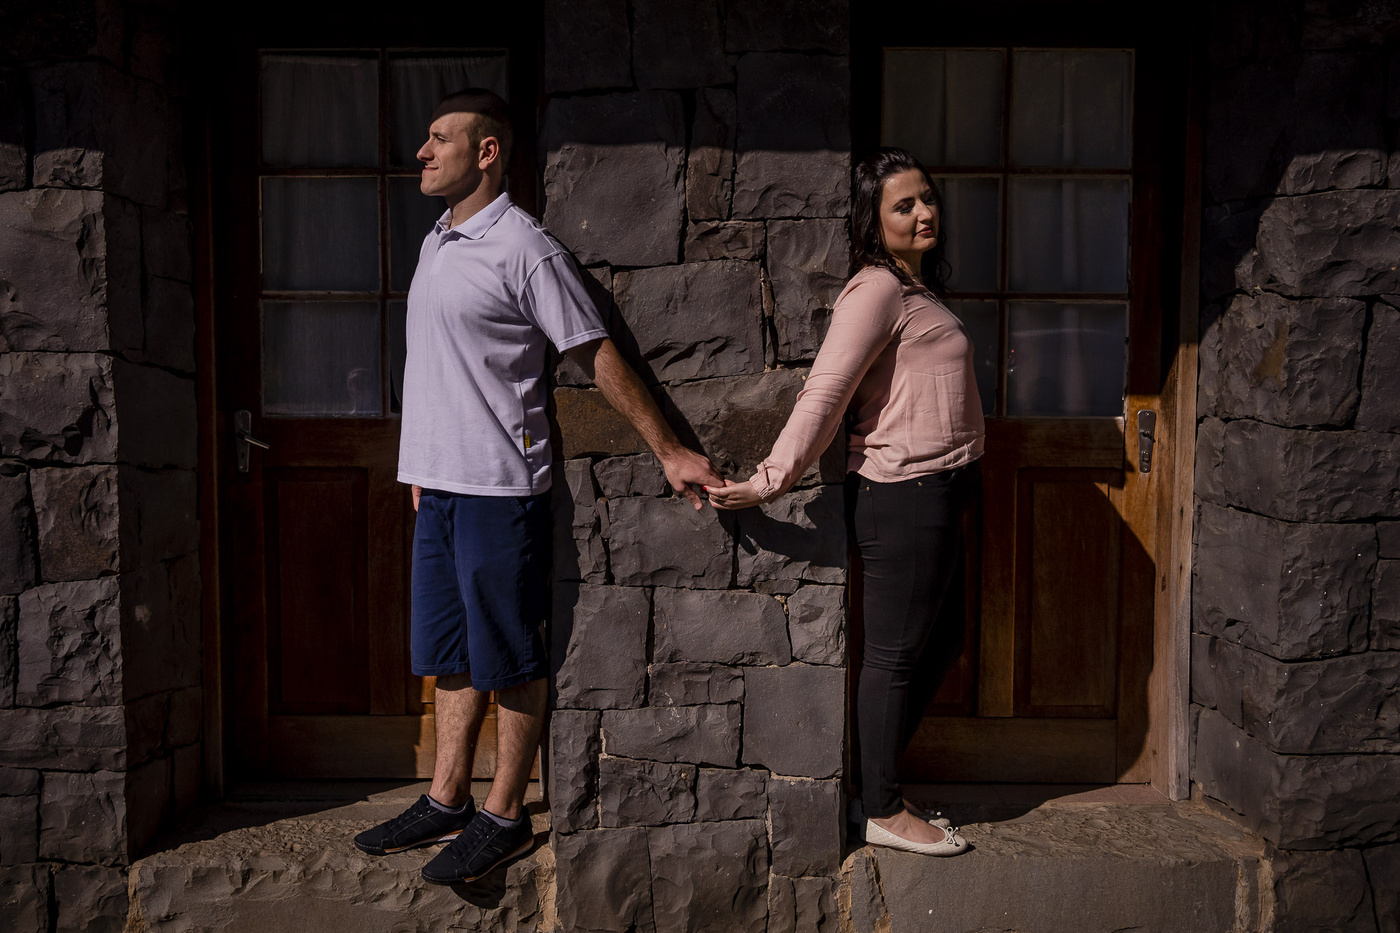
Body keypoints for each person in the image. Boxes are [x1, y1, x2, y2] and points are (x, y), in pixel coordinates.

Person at [353, 88, 723, 884]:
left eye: (439, 138)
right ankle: (448, 796)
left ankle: (505, 814)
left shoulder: (524, 247)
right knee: (450, 653)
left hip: (498, 488)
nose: (422, 152)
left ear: (487, 152)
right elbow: (441, 366)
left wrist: (669, 449)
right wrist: (420, 468)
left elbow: (594, 351)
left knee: (510, 655)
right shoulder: (438, 240)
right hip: (438, 487)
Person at [708, 148, 984, 857]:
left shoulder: (913, 288)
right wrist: (770, 478)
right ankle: (882, 809)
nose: (924, 213)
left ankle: (877, 784)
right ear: (872, 220)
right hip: (903, 495)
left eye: (928, 198)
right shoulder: (877, 290)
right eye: (904, 205)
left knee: (941, 641)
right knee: (894, 656)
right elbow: (825, 392)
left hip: (938, 490)